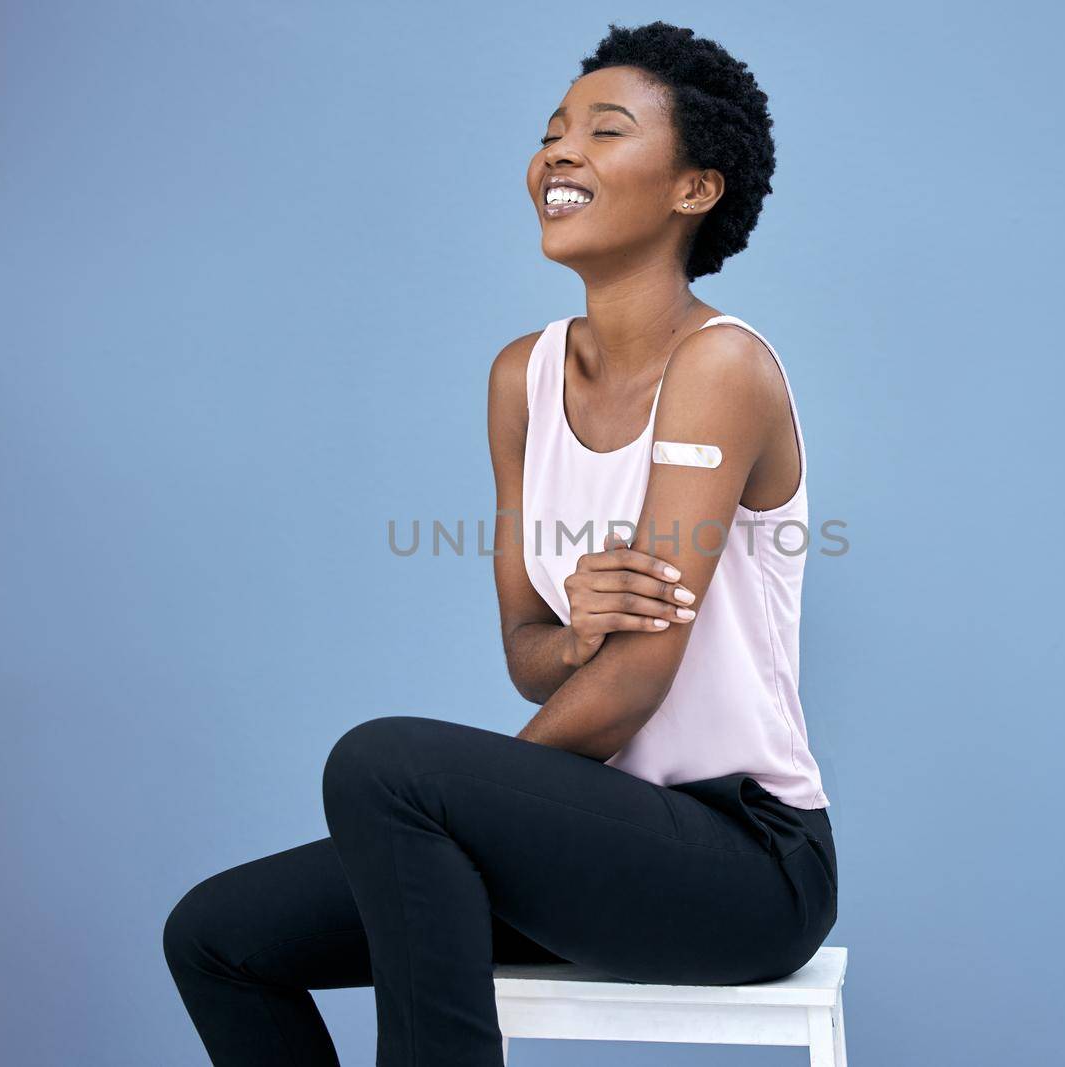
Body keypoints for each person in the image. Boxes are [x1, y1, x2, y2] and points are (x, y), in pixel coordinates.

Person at [163, 20, 837, 1065]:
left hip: (745, 864)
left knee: (383, 764)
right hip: (598, 838)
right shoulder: (519, 379)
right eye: (552, 131)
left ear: (693, 188)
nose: (558, 152)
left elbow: (638, 681)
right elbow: (528, 651)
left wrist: (477, 806)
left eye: (604, 132)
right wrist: (571, 640)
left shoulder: (722, 366)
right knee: (218, 936)